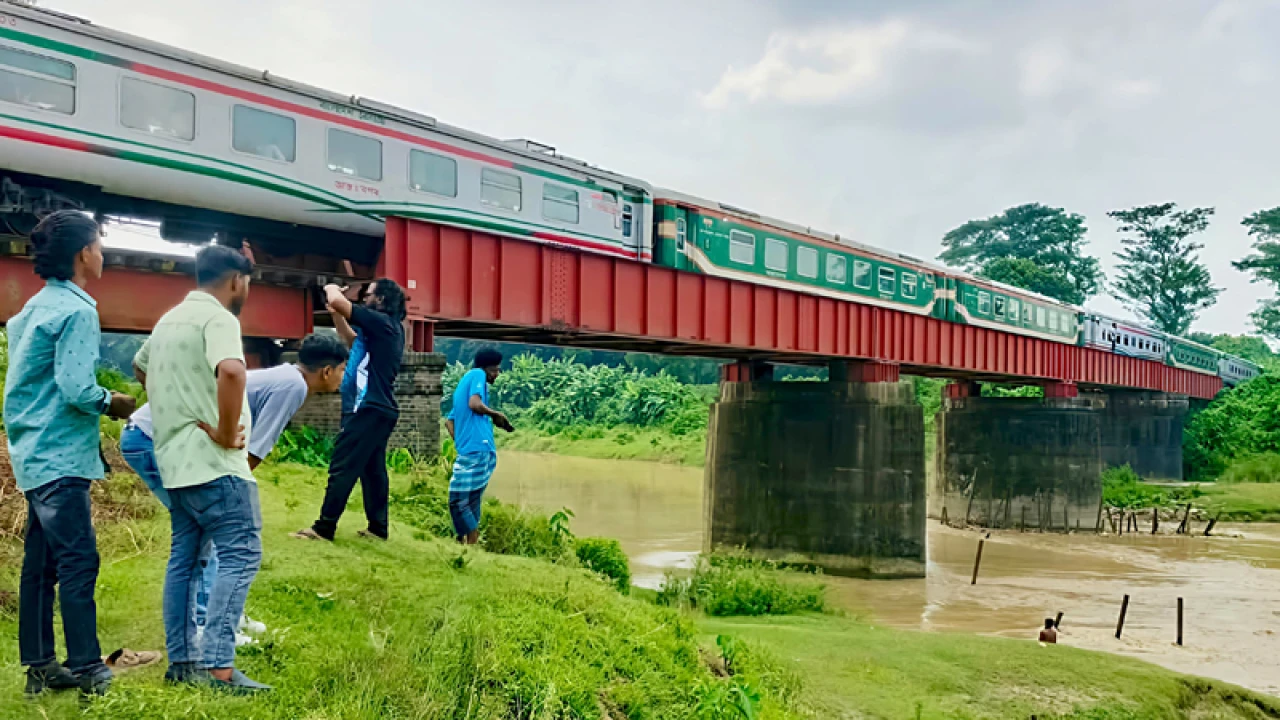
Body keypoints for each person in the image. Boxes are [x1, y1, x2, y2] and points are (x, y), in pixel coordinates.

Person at [121, 333, 347, 643]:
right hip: (153, 440)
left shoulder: (286, 378)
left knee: (209, 531)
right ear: (327, 371)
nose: (342, 378)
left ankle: (223, 617)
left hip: (154, 436)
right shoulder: (293, 387)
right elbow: (253, 452)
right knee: (205, 531)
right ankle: (205, 628)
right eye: (343, 370)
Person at [5, 211, 136, 697]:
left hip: (31, 451)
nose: (102, 254)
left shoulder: (31, 310)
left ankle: (40, 666)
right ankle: (87, 667)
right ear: (84, 254)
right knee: (79, 561)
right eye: (99, 245)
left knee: (40, 565)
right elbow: (77, 388)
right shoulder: (78, 310)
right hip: (61, 453)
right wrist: (114, 402)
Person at [135, 243, 269, 693]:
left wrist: (178, 405)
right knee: (242, 553)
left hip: (174, 463)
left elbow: (142, 370)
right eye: (247, 281)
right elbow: (232, 372)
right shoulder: (219, 318)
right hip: (217, 465)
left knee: (186, 561)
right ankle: (218, 669)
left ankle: (183, 663)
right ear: (236, 280)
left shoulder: (168, 320)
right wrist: (228, 432)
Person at [294, 280, 405, 542]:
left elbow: (340, 303)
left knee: (342, 466)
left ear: (382, 299)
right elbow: (349, 337)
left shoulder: (382, 321)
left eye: (369, 294)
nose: (365, 297)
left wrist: (332, 288)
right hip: (378, 409)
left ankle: (324, 528)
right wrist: (335, 312)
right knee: (372, 471)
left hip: (366, 408)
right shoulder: (381, 331)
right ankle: (378, 529)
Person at [445, 349, 514, 545]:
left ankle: (466, 542)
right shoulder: (477, 375)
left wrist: (461, 443)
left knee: (461, 500)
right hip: (478, 450)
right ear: (487, 368)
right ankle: (469, 541)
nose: (497, 374)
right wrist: (496, 415)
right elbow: (474, 404)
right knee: (463, 500)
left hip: (475, 450)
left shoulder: (462, 385)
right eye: (496, 370)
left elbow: (449, 422)